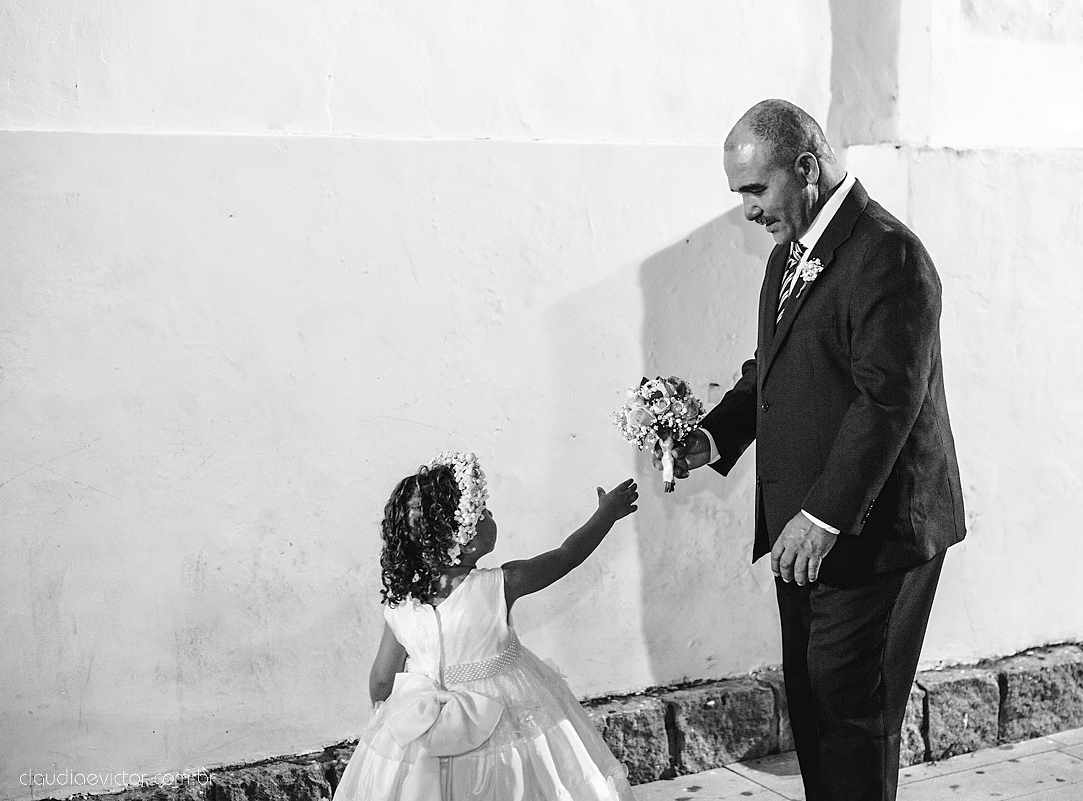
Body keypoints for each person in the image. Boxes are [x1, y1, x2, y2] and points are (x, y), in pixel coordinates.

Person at [656, 99, 966, 801]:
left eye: (754, 190)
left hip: (873, 534)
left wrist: (822, 514)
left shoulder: (889, 253)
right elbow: (772, 367)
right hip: (808, 535)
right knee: (815, 708)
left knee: (853, 717)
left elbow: (889, 399)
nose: (747, 210)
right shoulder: (788, 256)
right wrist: (713, 436)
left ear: (806, 168)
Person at [334, 451, 638, 801]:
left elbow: (382, 679)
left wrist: (386, 719)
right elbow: (566, 555)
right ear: (467, 540)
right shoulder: (504, 583)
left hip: (416, 722)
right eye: (483, 513)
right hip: (505, 709)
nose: (491, 515)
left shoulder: (401, 604)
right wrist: (606, 515)